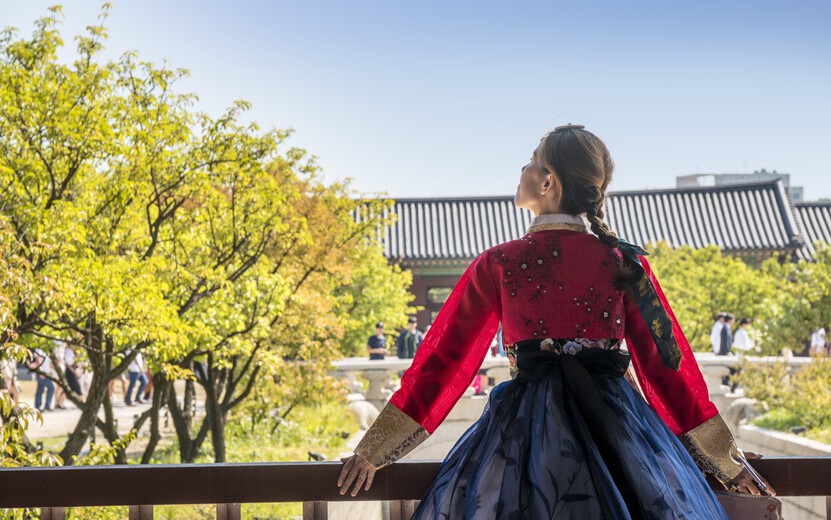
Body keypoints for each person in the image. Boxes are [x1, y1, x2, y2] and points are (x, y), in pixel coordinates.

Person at [338, 125, 774, 518]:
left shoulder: (499, 263)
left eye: (531, 162)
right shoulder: (625, 263)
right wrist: (726, 462)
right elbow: (668, 366)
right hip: (623, 439)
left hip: (522, 437)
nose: (522, 170)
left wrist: (372, 451)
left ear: (547, 182)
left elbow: (444, 362)